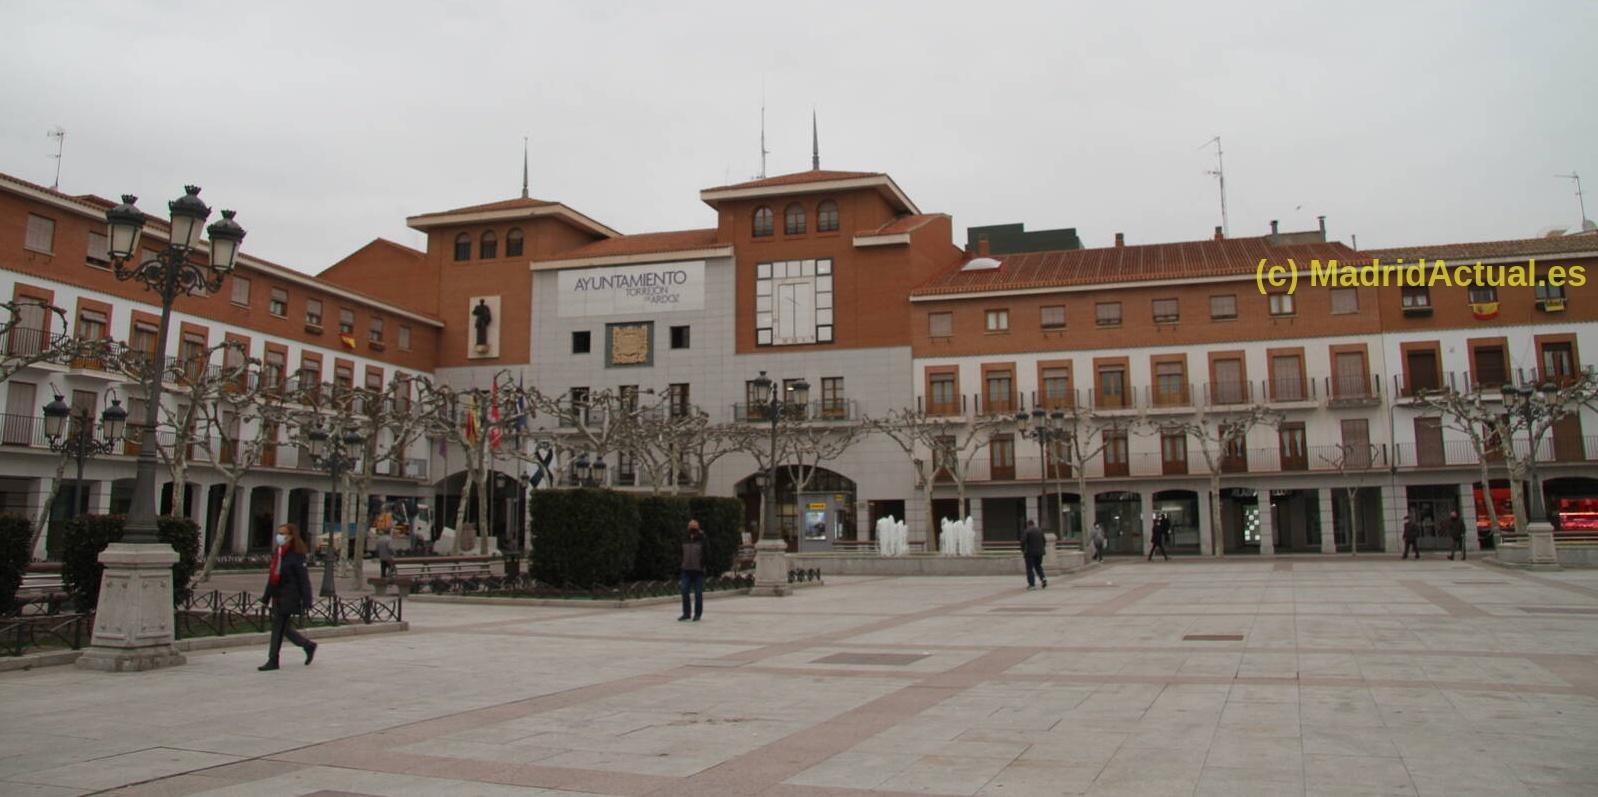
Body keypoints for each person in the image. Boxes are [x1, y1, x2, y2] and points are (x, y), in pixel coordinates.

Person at [260, 523, 317, 671]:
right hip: (277, 595)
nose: (279, 536)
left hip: (290, 596)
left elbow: (303, 580)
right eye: (278, 533)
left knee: (278, 626)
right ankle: (307, 645)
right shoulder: (278, 553)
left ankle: (273, 660)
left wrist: (307, 600)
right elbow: (272, 578)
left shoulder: (297, 556)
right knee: (283, 628)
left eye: (283, 533)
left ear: (291, 536)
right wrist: (266, 597)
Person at [679, 520, 707, 622]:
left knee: (698, 593)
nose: (692, 529)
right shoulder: (684, 538)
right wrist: (681, 563)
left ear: (698, 528)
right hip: (686, 569)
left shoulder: (702, 538)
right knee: (684, 590)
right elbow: (680, 552)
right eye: (690, 527)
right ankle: (686, 613)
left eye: (694, 527)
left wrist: (703, 565)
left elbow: (707, 553)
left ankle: (697, 614)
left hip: (698, 570)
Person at [1021, 520, 1047, 590]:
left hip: (1030, 553)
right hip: (1040, 552)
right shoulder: (1040, 530)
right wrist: (1042, 548)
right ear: (1034, 524)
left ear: (1028, 524)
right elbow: (1044, 541)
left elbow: (1023, 541)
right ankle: (1043, 578)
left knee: (1030, 568)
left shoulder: (1027, 531)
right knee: (1038, 566)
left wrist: (1023, 550)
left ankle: (1032, 585)